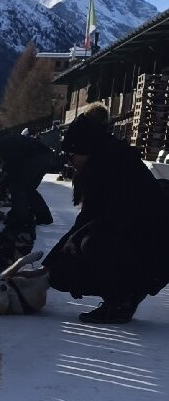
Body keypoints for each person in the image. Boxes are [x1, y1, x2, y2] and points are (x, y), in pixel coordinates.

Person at [44, 105, 169, 324]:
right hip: (146, 248)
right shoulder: (104, 163)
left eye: (71, 155)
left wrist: (69, 246)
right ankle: (128, 292)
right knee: (61, 272)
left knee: (91, 244)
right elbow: (85, 220)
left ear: (85, 150)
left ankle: (121, 301)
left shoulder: (115, 168)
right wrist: (48, 267)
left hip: (157, 252)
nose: (69, 162)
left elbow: (120, 219)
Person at [0, 129, 59, 269]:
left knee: (18, 187)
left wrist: (5, 182)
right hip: (44, 156)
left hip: (37, 158)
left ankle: (22, 219)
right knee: (28, 189)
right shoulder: (5, 139)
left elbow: (14, 164)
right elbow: (14, 163)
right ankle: (44, 216)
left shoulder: (2, 144)